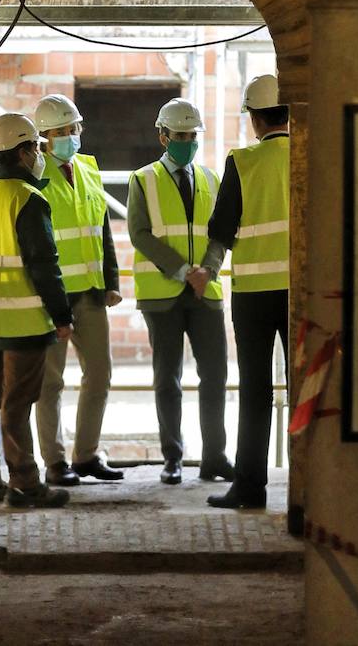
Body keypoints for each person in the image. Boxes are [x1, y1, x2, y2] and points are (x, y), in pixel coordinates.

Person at [0, 112, 73, 508]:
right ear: (24, 152)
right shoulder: (29, 199)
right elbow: (44, 264)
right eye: (37, 148)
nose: (40, 154)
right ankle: (25, 484)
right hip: (25, 322)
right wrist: (62, 316)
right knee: (17, 404)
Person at [127, 97, 235, 486]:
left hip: (206, 291)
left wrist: (208, 270)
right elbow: (139, 234)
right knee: (167, 379)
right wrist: (181, 270)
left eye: (192, 136)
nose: (187, 142)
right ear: (162, 137)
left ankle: (215, 458)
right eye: (180, 136)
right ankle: (172, 457)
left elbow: (222, 232)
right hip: (163, 294)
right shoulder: (143, 180)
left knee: (215, 377)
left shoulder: (211, 178)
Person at [203, 73, 289, 511]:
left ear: (255, 119)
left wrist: (206, 271)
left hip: (254, 293)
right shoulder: (310, 154)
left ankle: (250, 488)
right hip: (301, 294)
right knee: (307, 387)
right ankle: (311, 489)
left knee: (255, 391)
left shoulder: (243, 161)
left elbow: (221, 230)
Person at [33, 93, 124, 486]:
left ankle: (86, 455)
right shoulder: (35, 176)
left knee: (100, 374)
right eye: (62, 131)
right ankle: (55, 463)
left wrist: (112, 282)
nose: (72, 136)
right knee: (50, 382)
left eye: (74, 129)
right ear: (43, 139)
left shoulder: (88, 168)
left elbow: (101, 229)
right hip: (52, 298)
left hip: (90, 292)